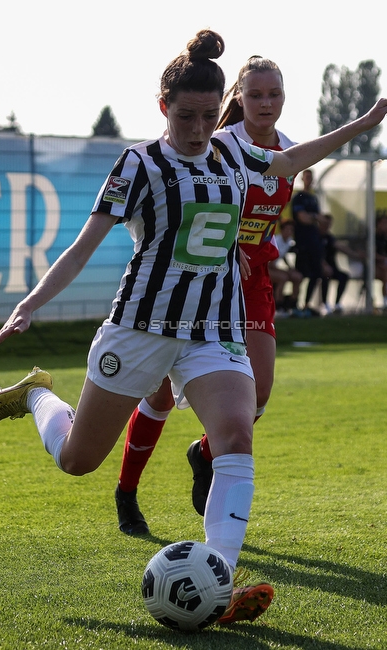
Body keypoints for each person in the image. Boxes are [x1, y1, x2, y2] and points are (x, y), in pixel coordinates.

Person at [0, 29, 387, 626]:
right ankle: (38, 395)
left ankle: (219, 585)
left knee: (236, 431)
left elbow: (290, 160)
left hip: (212, 328)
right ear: (163, 108)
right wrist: (29, 305)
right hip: (141, 327)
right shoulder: (139, 164)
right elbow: (82, 247)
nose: (200, 129)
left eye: (208, 116)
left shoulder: (233, 152)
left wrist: (364, 122)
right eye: (187, 116)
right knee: (77, 460)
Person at [114, 54, 298, 541]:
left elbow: (263, 216)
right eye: (255, 94)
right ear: (237, 98)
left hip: (251, 279)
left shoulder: (290, 153)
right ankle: (127, 493)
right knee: (155, 393)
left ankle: (205, 452)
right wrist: (227, 245)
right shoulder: (218, 143)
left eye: (274, 94)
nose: (265, 103)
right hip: (196, 277)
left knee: (258, 393)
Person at [289, 169, 325, 316]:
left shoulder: (314, 198)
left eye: (311, 177)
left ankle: (306, 305)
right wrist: (315, 217)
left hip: (314, 241)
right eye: (306, 177)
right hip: (302, 242)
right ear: (302, 179)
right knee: (301, 275)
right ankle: (293, 306)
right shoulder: (298, 197)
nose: (309, 180)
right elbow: (302, 218)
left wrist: (313, 218)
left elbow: (321, 220)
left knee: (317, 274)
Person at [317, 213, 356, 314]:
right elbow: (313, 254)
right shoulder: (315, 236)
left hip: (331, 267)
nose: (327, 226)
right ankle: (324, 303)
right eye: (325, 223)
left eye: (329, 224)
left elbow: (340, 247)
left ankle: (337, 303)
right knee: (326, 275)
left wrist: (355, 254)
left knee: (344, 276)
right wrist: (323, 264)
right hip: (317, 268)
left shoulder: (329, 237)